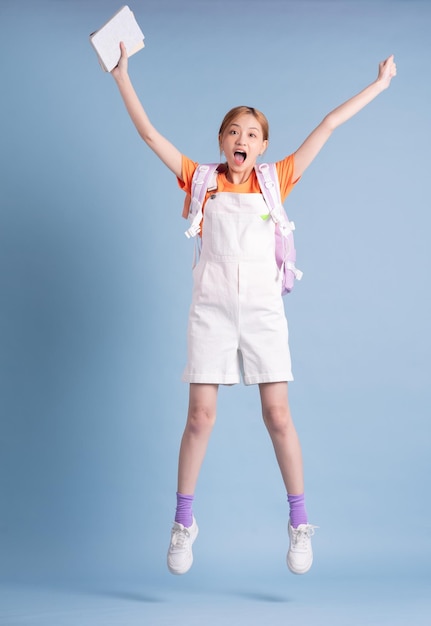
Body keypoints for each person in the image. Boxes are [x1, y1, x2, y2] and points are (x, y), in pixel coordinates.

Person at [111, 43, 396, 576]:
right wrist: (122, 75)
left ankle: (299, 522)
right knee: (199, 418)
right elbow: (150, 134)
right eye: (233, 131)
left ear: (264, 147)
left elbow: (330, 123)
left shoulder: (277, 179)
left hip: (263, 312)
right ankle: (183, 522)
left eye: (252, 133)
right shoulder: (199, 179)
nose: (241, 139)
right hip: (212, 311)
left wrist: (379, 86)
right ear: (221, 141)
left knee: (278, 415)